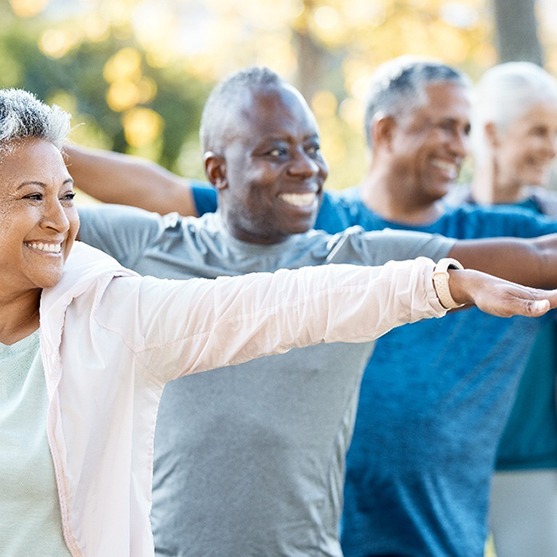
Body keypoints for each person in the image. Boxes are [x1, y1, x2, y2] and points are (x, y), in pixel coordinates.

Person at [3, 89, 534, 557]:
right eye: (35, 196)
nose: (60, 218)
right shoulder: (148, 244)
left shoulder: (122, 312)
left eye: (68, 197)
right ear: (218, 172)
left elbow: (281, 303)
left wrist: (443, 283)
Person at [444, 61, 557, 557]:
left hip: (534, 457)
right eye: (538, 131)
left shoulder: (551, 224)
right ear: (491, 132)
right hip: (445, 458)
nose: (552, 147)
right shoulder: (441, 224)